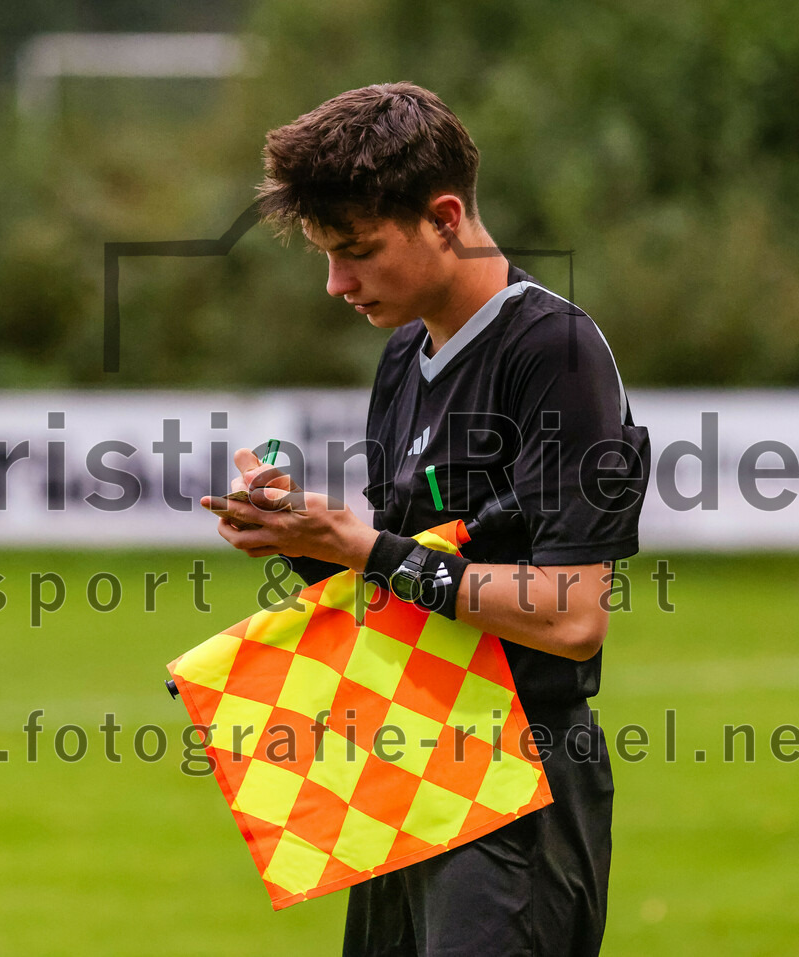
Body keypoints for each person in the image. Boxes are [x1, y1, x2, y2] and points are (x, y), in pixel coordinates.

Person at [201, 82, 650, 957]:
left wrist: (363, 544)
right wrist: (308, 543)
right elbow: (410, 590)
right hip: (409, 761)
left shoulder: (553, 353)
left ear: (445, 216)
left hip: (521, 781)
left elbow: (572, 615)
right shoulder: (405, 353)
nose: (337, 282)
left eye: (359, 251)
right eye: (328, 255)